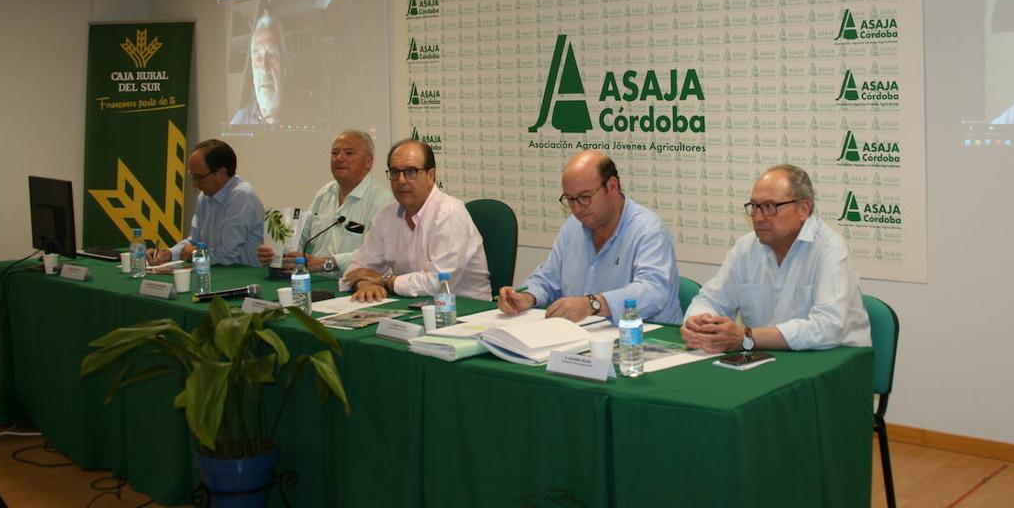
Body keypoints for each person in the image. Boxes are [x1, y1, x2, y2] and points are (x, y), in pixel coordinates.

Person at [682, 164, 869, 353]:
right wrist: (700, 323)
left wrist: (746, 338)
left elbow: (827, 327)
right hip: (765, 356)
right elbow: (711, 300)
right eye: (754, 207)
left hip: (830, 361)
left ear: (803, 209)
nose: (758, 217)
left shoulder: (829, 248)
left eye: (769, 207)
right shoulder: (746, 248)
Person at [497, 150, 682, 325]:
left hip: (645, 340)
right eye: (570, 199)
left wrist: (592, 304)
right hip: (585, 340)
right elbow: (547, 280)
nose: (576, 209)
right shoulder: (573, 227)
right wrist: (526, 297)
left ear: (611, 186)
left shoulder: (648, 230)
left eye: (585, 197)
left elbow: (653, 292)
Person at [340, 138, 490, 301]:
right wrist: (366, 285)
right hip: (413, 306)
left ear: (431, 175)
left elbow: (438, 282)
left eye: (410, 171)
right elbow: (355, 271)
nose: (401, 180)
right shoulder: (387, 215)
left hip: (464, 311)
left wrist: (384, 280)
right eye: (395, 172)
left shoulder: (450, 214)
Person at [257, 129, 393, 277]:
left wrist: (327, 263)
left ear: (368, 161)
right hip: (314, 283)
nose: (340, 158)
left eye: (349, 153)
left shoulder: (383, 200)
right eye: (335, 153)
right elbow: (302, 237)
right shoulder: (325, 193)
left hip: (353, 286)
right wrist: (278, 253)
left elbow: (376, 254)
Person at [148, 139, 265, 267]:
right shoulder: (204, 196)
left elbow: (227, 254)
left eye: (198, 177)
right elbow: (193, 240)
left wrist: (194, 253)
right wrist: (168, 253)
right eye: (192, 176)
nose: (194, 183)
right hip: (215, 273)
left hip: (243, 277)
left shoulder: (241, 195)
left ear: (221, 173)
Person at [231, 10, 285, 125]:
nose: (264, 68)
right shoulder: (239, 121)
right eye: (258, 58)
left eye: (271, 55)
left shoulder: (309, 115)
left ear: (285, 63)